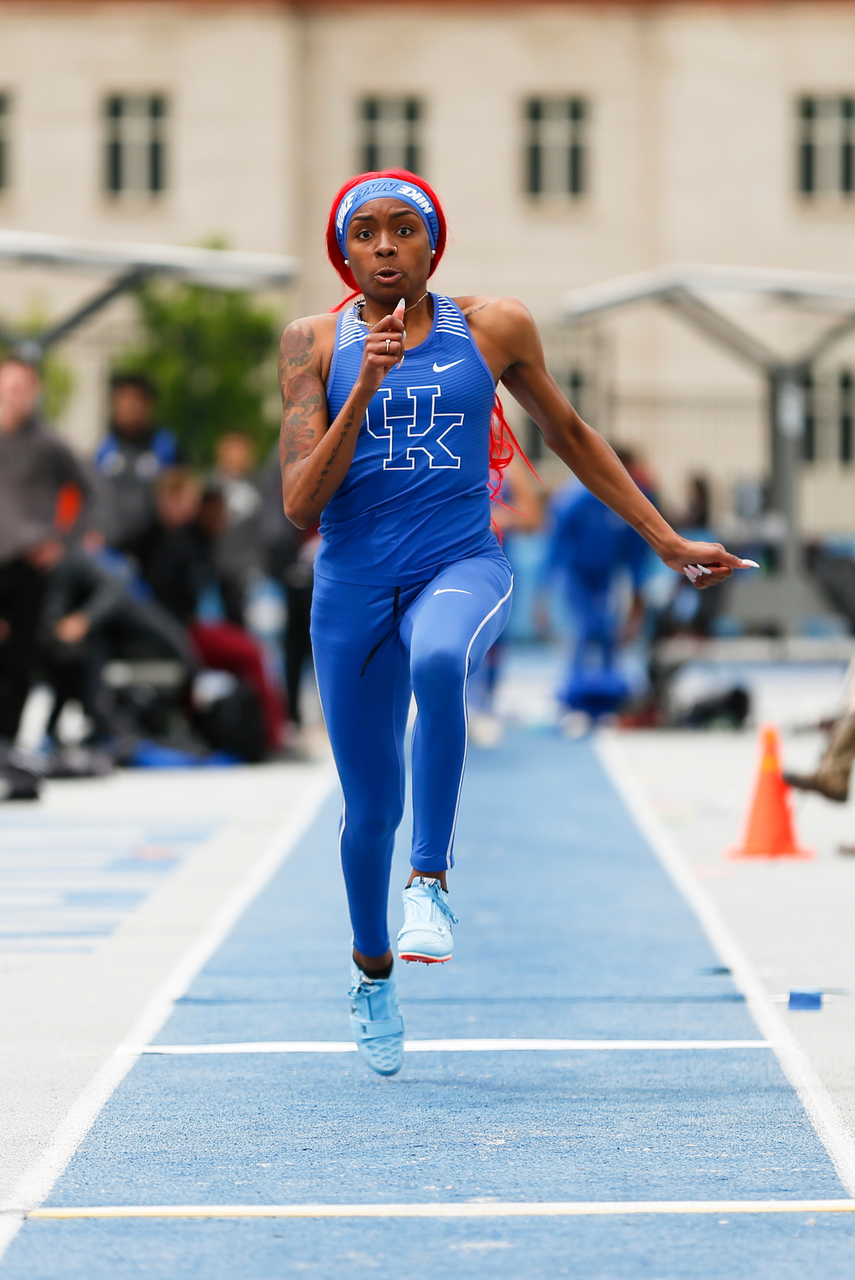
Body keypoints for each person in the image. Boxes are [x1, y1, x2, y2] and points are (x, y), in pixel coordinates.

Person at [277, 168, 752, 1077]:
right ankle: (372, 971)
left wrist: (659, 536)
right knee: (366, 809)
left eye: (402, 229)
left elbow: (570, 435)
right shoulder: (311, 345)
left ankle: (432, 883)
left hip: (459, 562)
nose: (385, 245)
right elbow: (301, 502)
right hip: (350, 586)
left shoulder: (492, 326)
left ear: (431, 244)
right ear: (343, 252)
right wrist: (367, 386)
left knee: (440, 660)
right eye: (365, 233)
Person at [0, 356, 91, 798]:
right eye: (8, 385)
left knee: (21, 659)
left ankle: (10, 745)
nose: (14, 394)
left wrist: (61, 538)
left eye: (22, 386)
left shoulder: (49, 444)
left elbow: (88, 492)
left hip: (29, 564)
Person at [145, 469, 285, 754]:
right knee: (254, 654)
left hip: (190, 626)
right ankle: (273, 737)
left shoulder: (200, 544)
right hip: (181, 629)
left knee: (253, 652)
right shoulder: (173, 542)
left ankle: (261, 732)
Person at [541, 465, 650, 724]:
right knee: (585, 629)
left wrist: (637, 598)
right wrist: (542, 596)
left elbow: (635, 555)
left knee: (608, 633)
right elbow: (555, 548)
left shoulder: (625, 502)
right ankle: (573, 697)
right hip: (576, 574)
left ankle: (607, 699)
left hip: (606, 576)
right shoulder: (574, 500)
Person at [93, 373, 183, 565]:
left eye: (136, 399)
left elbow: (182, 497)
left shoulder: (166, 447)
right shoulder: (104, 450)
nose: (129, 406)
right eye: (123, 398)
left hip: (157, 555)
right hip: (111, 552)